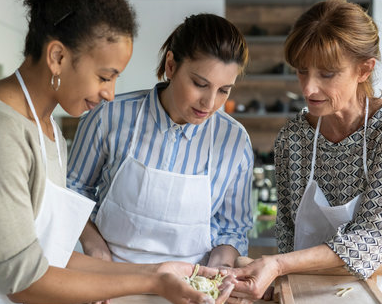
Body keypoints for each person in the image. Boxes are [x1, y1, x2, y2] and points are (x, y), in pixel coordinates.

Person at [0, 0, 234, 304]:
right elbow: (22, 280)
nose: (110, 93)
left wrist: (163, 270)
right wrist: (152, 282)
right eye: (105, 76)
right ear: (57, 56)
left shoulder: (47, 129)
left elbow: (47, 254)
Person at [228, 0, 382, 304]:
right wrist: (278, 280)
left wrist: (278, 266)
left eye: (327, 74)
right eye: (301, 71)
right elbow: (287, 230)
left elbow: (372, 239)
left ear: (364, 69)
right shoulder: (293, 138)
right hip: (315, 295)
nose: (308, 89)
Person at [67, 13, 253, 269]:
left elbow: (232, 229)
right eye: (200, 84)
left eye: (224, 90)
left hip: (192, 287)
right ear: (171, 66)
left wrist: (219, 269)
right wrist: (95, 247)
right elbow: (73, 191)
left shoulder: (234, 141)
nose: (210, 104)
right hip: (111, 278)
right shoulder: (108, 116)